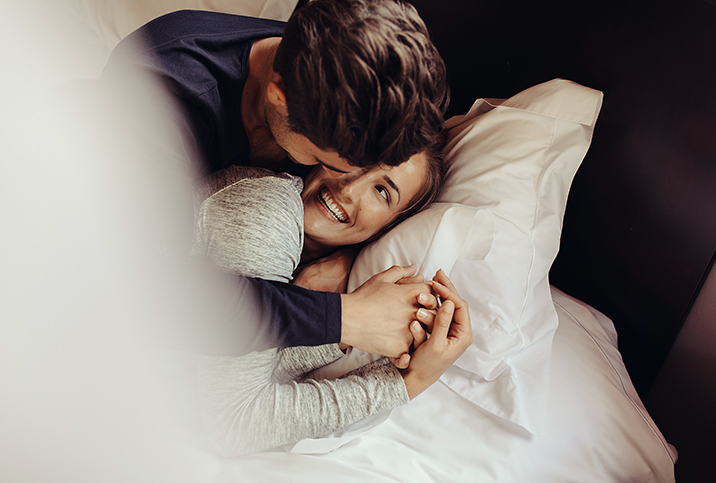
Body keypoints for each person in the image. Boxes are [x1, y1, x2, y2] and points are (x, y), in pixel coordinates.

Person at [99, 0, 451, 361]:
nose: (347, 184)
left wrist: (352, 257)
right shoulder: (160, 102)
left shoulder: (342, 69)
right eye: (326, 161)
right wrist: (345, 316)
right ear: (278, 97)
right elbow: (156, 297)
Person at [189, 146, 472, 456]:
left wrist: (324, 322)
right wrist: (407, 382)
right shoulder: (267, 212)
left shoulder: (315, 271)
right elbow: (231, 424)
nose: (349, 188)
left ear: (387, 228)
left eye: (381, 191)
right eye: (360, 157)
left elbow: (210, 380)